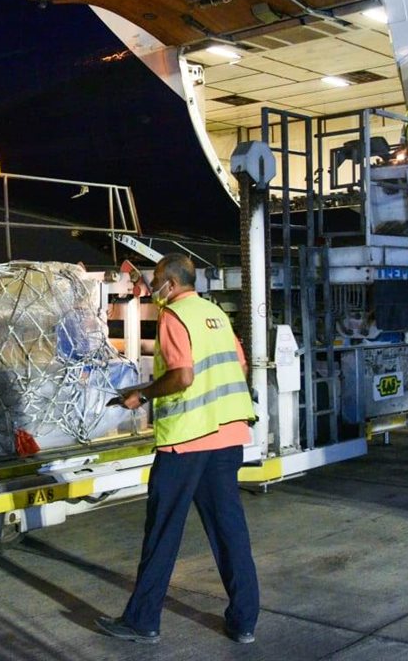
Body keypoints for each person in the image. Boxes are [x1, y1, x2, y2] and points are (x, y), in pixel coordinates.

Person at [95, 253, 259, 645]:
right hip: (228, 436)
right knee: (230, 530)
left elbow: (182, 376)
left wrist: (142, 394)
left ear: (170, 283)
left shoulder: (173, 315)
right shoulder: (215, 314)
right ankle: (244, 622)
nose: (153, 286)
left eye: (155, 280)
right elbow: (240, 367)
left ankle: (142, 621)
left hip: (186, 441)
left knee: (163, 532)